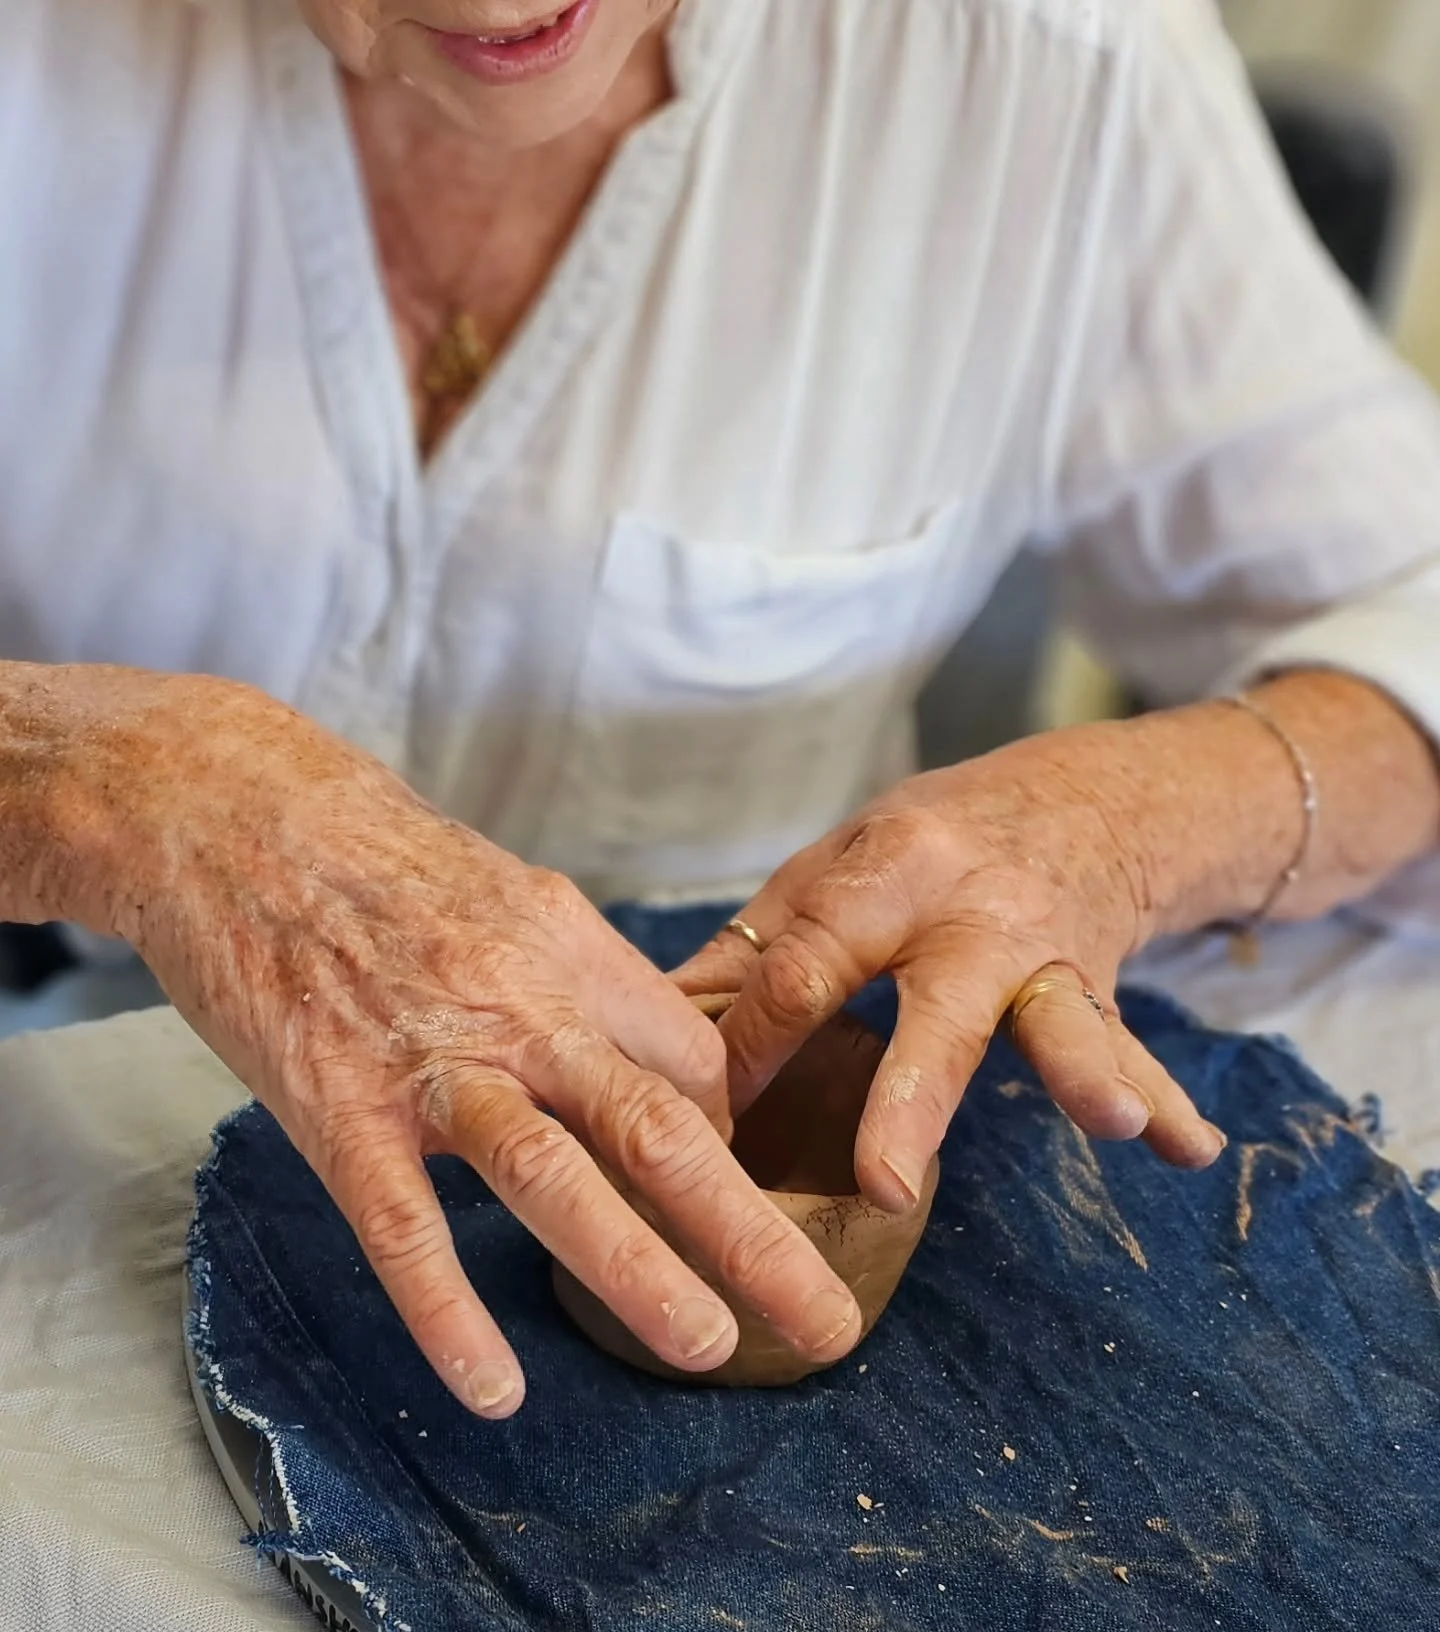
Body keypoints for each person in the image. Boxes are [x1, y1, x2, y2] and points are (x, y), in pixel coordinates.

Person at [2, 0, 1438, 1419]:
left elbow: (1412, 598)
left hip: (745, 1130)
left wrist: (1116, 823)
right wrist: (126, 786)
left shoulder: (1040, 53)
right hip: (91, 1131)